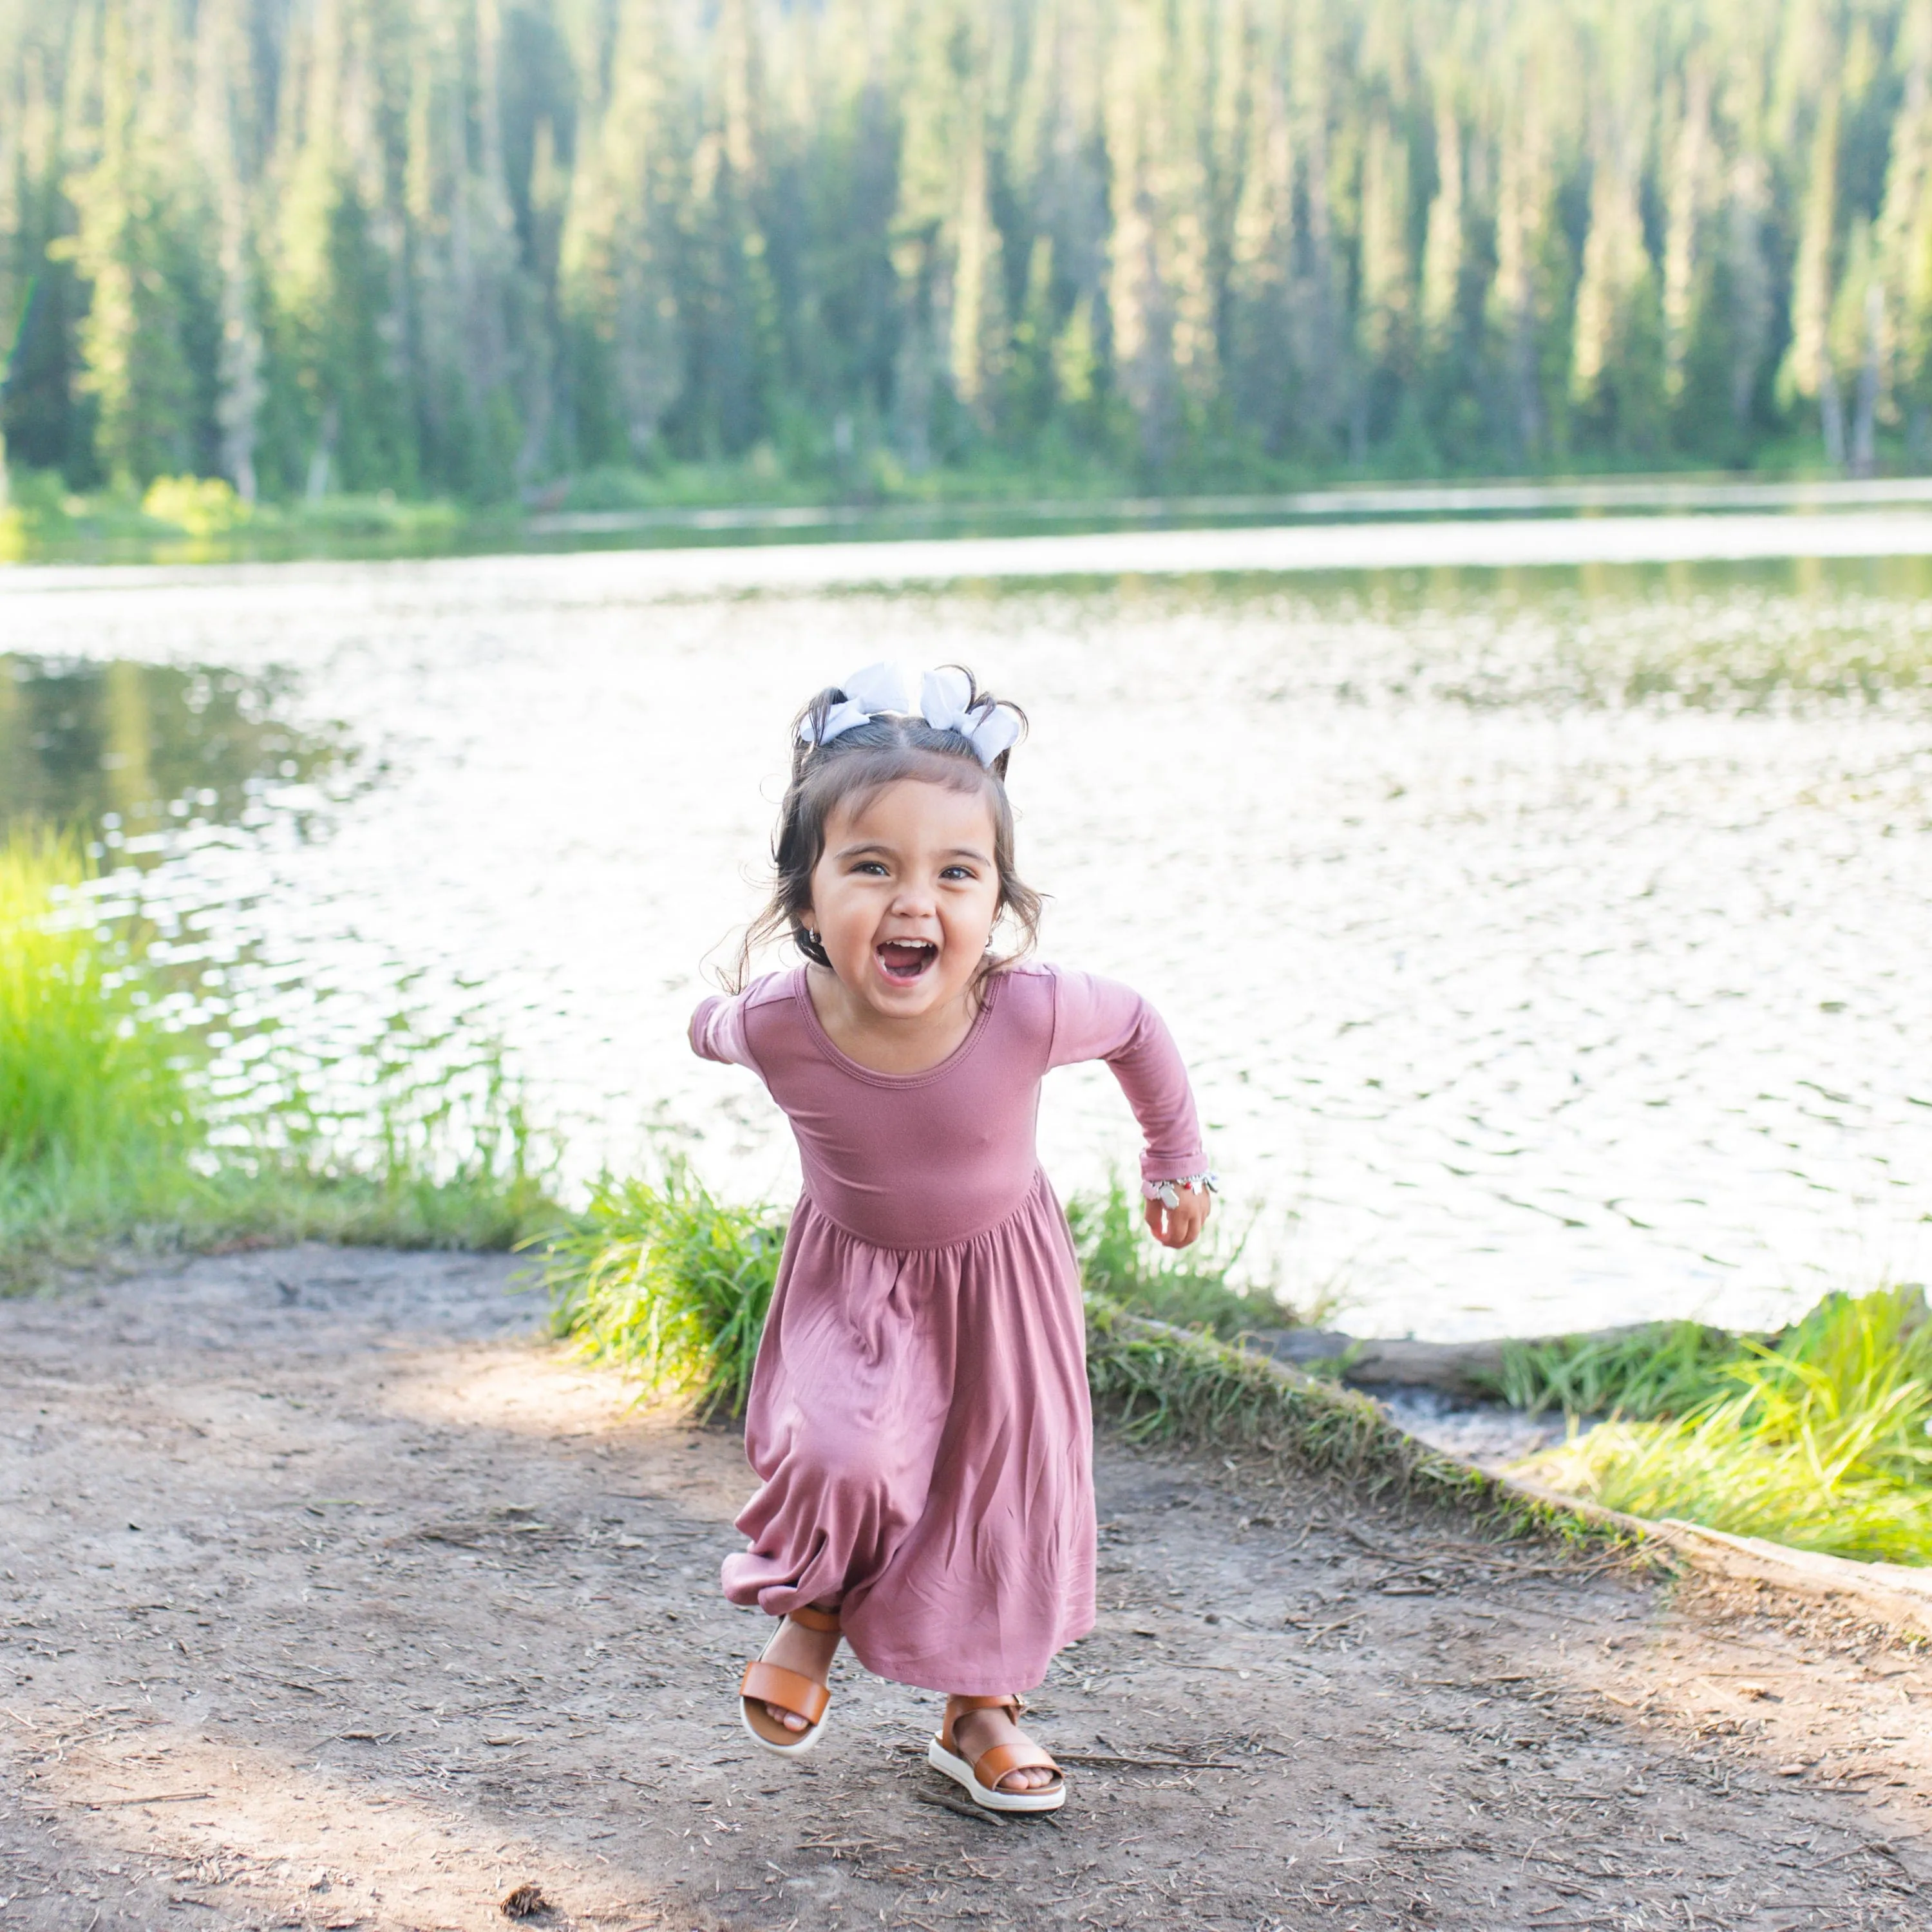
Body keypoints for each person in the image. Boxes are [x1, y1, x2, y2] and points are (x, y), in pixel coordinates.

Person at [688, 661, 1214, 1814]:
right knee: (841, 1453)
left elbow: (1135, 1024)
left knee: (1000, 1493)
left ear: (997, 901)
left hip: (1002, 1287)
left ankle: (980, 1709)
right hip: (850, 1283)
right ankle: (816, 1604)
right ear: (807, 897)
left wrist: (1175, 1158)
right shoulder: (782, 1020)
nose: (915, 901)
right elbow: (710, 1027)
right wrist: (703, 1024)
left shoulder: (1022, 1010)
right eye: (871, 867)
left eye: (956, 872)